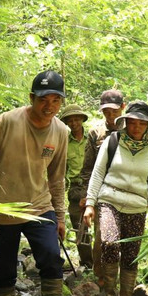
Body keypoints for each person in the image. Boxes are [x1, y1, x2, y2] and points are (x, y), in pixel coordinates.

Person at [0, 70, 68, 296]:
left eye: (55, 100)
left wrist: (61, 217)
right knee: (3, 269)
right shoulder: (7, 121)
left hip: (40, 206)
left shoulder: (61, 131)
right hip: (3, 208)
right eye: (43, 99)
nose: (49, 105)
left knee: (52, 259)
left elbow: (57, 178)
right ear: (32, 98)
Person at [82, 101, 148, 296]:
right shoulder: (113, 141)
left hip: (137, 205)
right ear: (125, 122)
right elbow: (98, 173)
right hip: (109, 198)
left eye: (141, 123)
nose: (136, 127)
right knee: (109, 242)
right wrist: (90, 204)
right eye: (132, 122)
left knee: (131, 254)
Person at [79, 90, 126, 289]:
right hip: (102, 192)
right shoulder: (95, 133)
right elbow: (87, 167)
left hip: (128, 192)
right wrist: (86, 196)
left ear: (123, 108)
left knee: (127, 236)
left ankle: (124, 279)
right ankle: (102, 279)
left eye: (114, 111)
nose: (110, 115)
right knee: (102, 238)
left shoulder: (132, 129)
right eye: (106, 111)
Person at [59, 104, 91, 267]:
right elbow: (62, 170)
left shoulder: (92, 138)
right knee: (79, 229)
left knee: (100, 226)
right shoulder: (64, 143)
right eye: (70, 120)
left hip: (93, 186)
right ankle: (87, 264)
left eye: (76, 119)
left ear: (82, 120)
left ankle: (103, 264)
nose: (74, 123)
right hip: (75, 189)